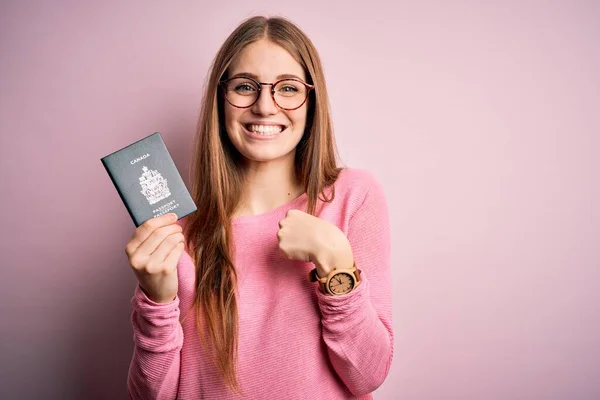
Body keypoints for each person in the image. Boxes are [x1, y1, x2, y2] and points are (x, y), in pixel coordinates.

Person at [125, 15, 394, 399]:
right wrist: (156, 299)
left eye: (287, 88)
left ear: (311, 101)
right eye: (245, 86)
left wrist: (337, 265)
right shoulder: (175, 232)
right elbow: (152, 396)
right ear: (221, 99)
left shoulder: (354, 195)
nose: (265, 106)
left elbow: (368, 375)